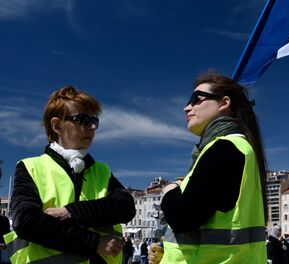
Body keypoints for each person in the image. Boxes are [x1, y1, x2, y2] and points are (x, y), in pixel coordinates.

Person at [6, 86, 135, 264]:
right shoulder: (30, 167)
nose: (92, 127)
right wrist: (94, 243)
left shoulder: (101, 170)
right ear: (57, 125)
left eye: (94, 121)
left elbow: (126, 206)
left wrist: (71, 212)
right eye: (82, 120)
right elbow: (26, 222)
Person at [150, 72, 268, 263]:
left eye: (196, 99)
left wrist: (168, 190)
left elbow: (183, 217)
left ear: (224, 103)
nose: (186, 107)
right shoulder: (238, 149)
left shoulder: (224, 148)